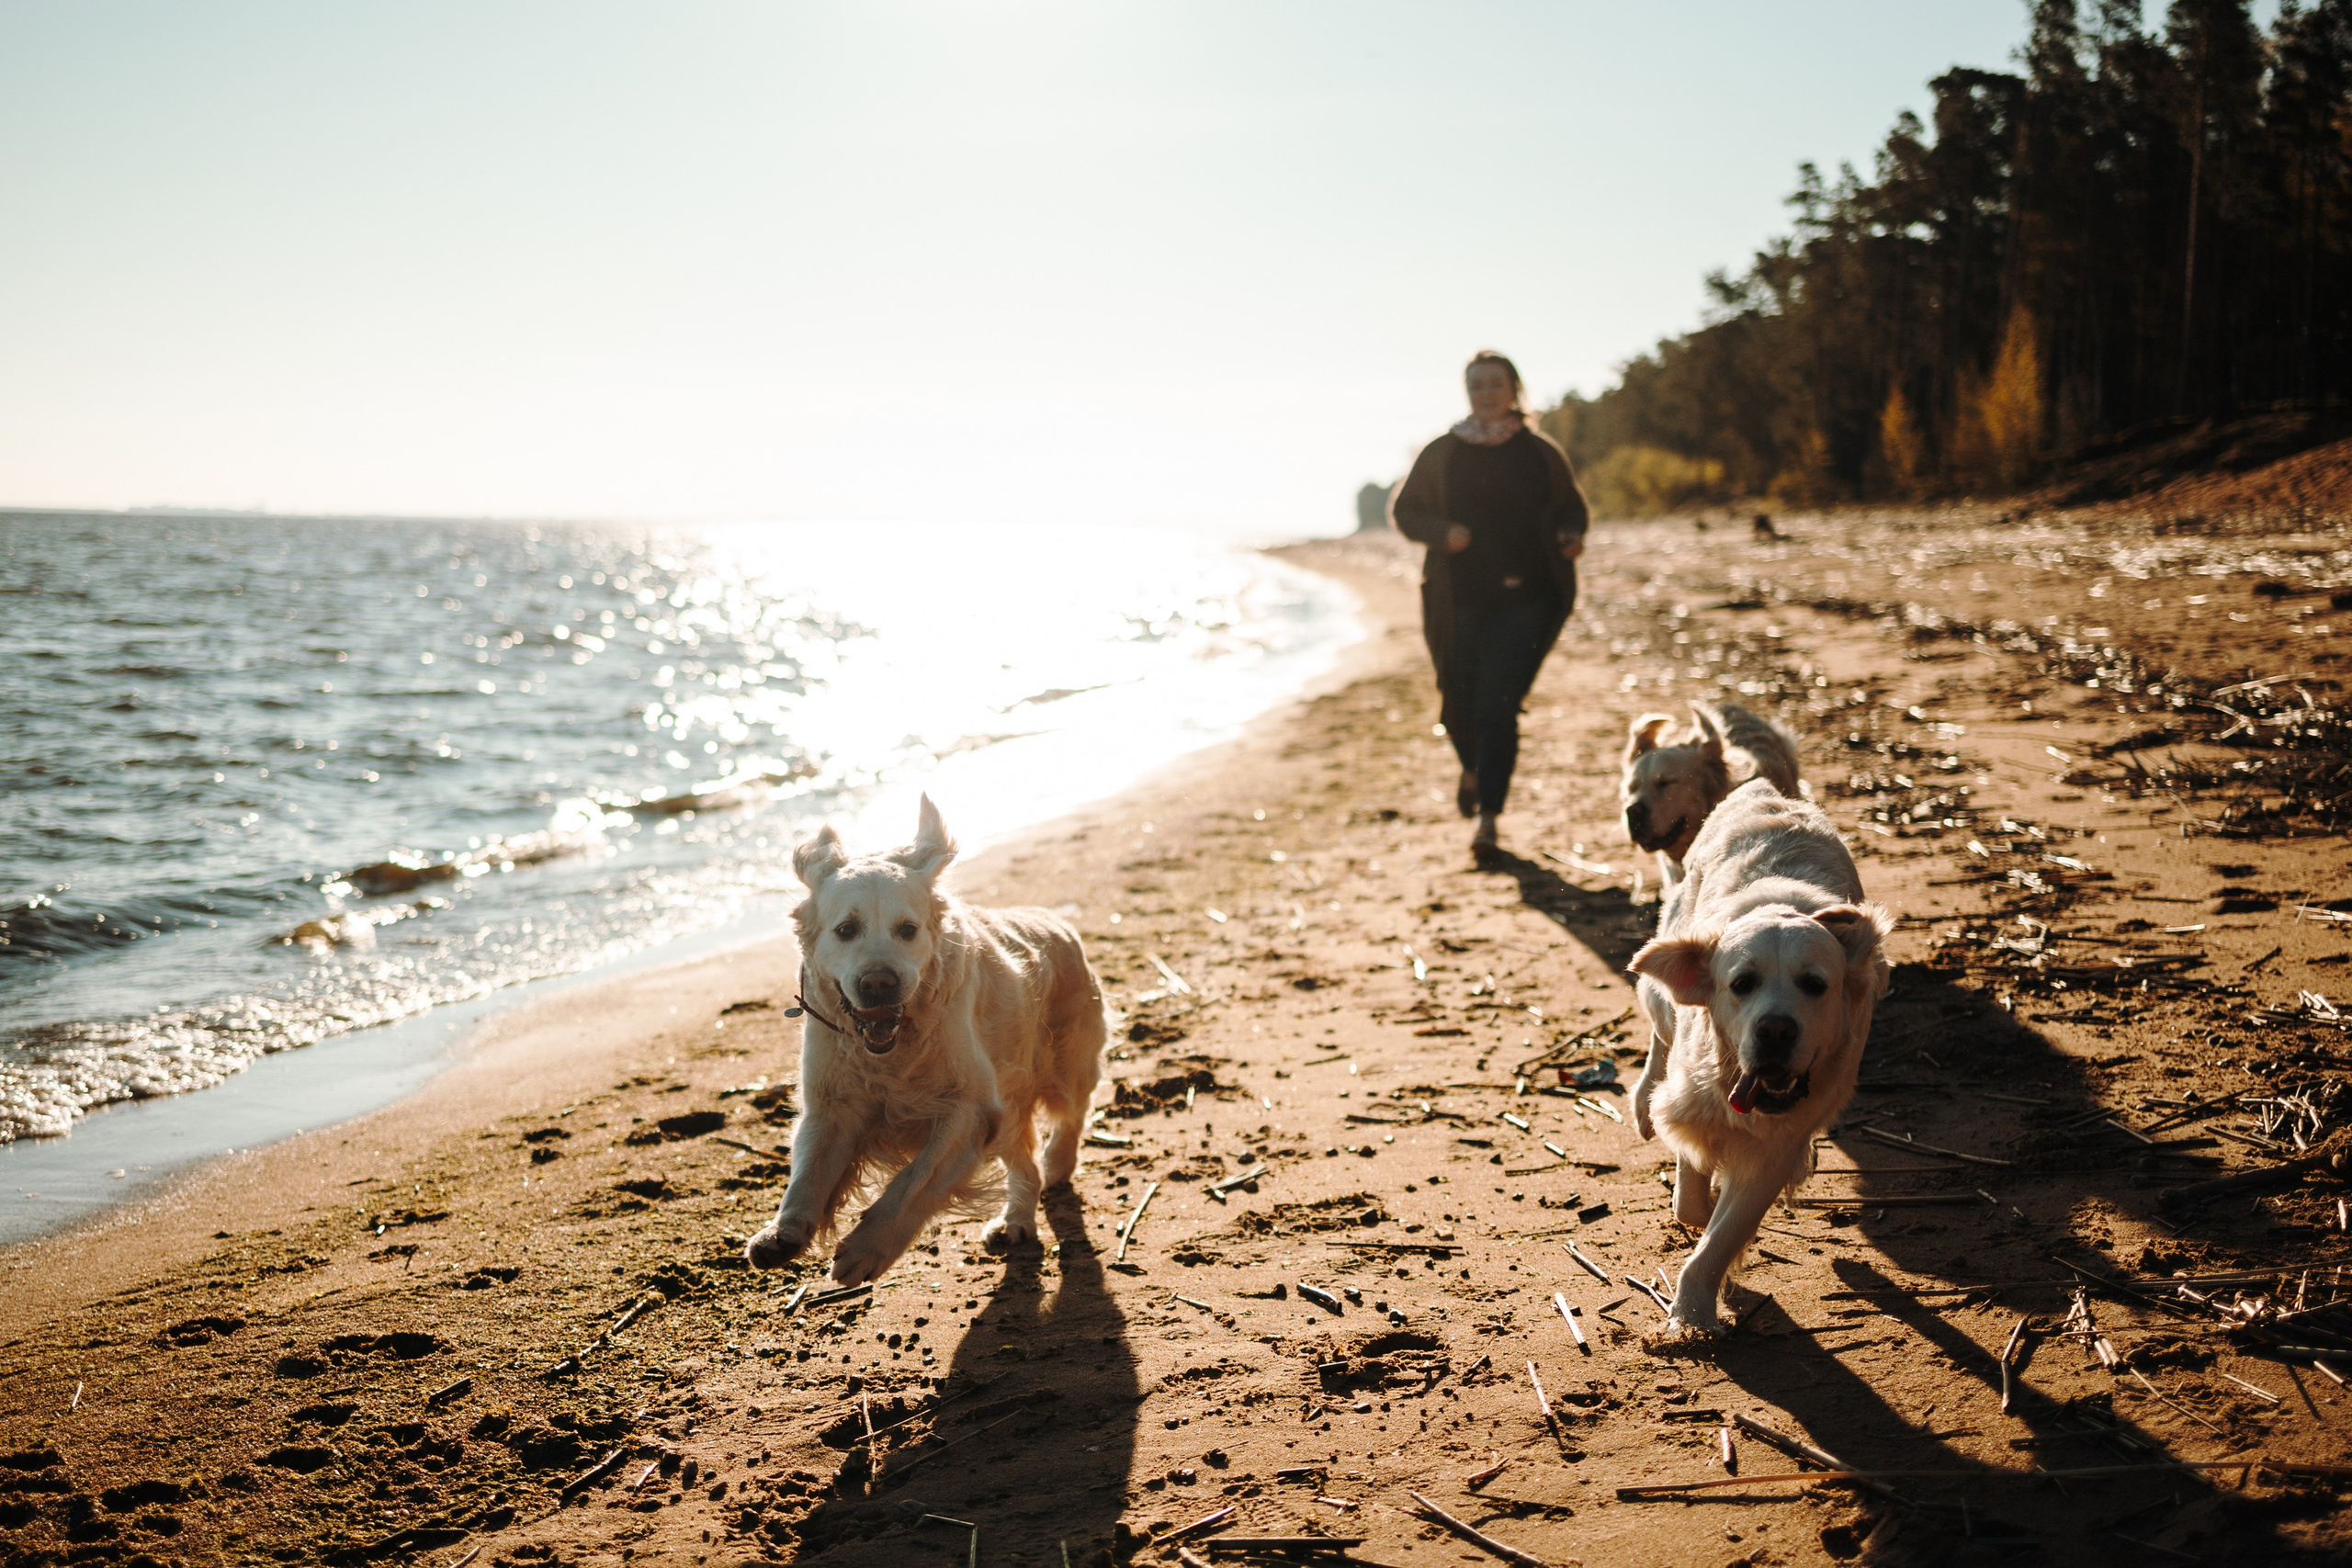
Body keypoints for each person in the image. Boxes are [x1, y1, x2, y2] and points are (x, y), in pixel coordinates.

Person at [1389, 350, 1589, 859]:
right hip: (1457, 599)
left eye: (1495, 384)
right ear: (1467, 391)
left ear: (1514, 389)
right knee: (1456, 697)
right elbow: (1406, 511)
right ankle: (1473, 769)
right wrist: (1442, 533)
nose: (1486, 393)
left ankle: (1488, 820)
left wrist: (1570, 535)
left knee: (1497, 704)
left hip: (1526, 596)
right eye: (1477, 385)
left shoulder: (1539, 451)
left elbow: (1572, 506)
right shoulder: (1442, 452)